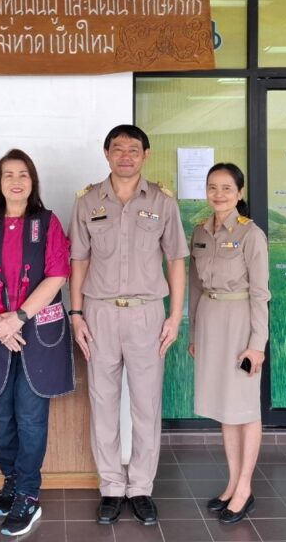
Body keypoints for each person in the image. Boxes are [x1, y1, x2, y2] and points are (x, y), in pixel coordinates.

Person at [68, 124, 189, 526]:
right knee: (103, 403)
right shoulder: (87, 201)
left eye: (133, 150)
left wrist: (174, 316)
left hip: (146, 314)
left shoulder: (162, 201)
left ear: (145, 155)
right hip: (99, 313)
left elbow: (175, 260)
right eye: (117, 149)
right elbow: (79, 261)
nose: (125, 156)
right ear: (106, 153)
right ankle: (110, 487)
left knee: (146, 405)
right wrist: (76, 314)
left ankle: (140, 487)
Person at [0, 149, 74, 537]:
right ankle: (10, 478)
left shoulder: (47, 222)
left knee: (30, 415)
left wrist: (18, 317)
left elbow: (58, 274)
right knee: (1, 415)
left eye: (23, 174)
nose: (16, 181)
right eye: (8, 174)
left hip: (36, 331)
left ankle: (28, 493)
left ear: (32, 181)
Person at [187, 162, 270, 525]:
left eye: (226, 188)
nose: (218, 194)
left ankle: (245, 488)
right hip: (210, 321)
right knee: (225, 406)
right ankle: (233, 482)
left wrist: (257, 344)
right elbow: (195, 287)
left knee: (245, 407)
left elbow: (260, 293)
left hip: (240, 325)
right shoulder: (200, 232)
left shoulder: (251, 234)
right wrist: (194, 334)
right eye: (212, 187)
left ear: (239, 193)